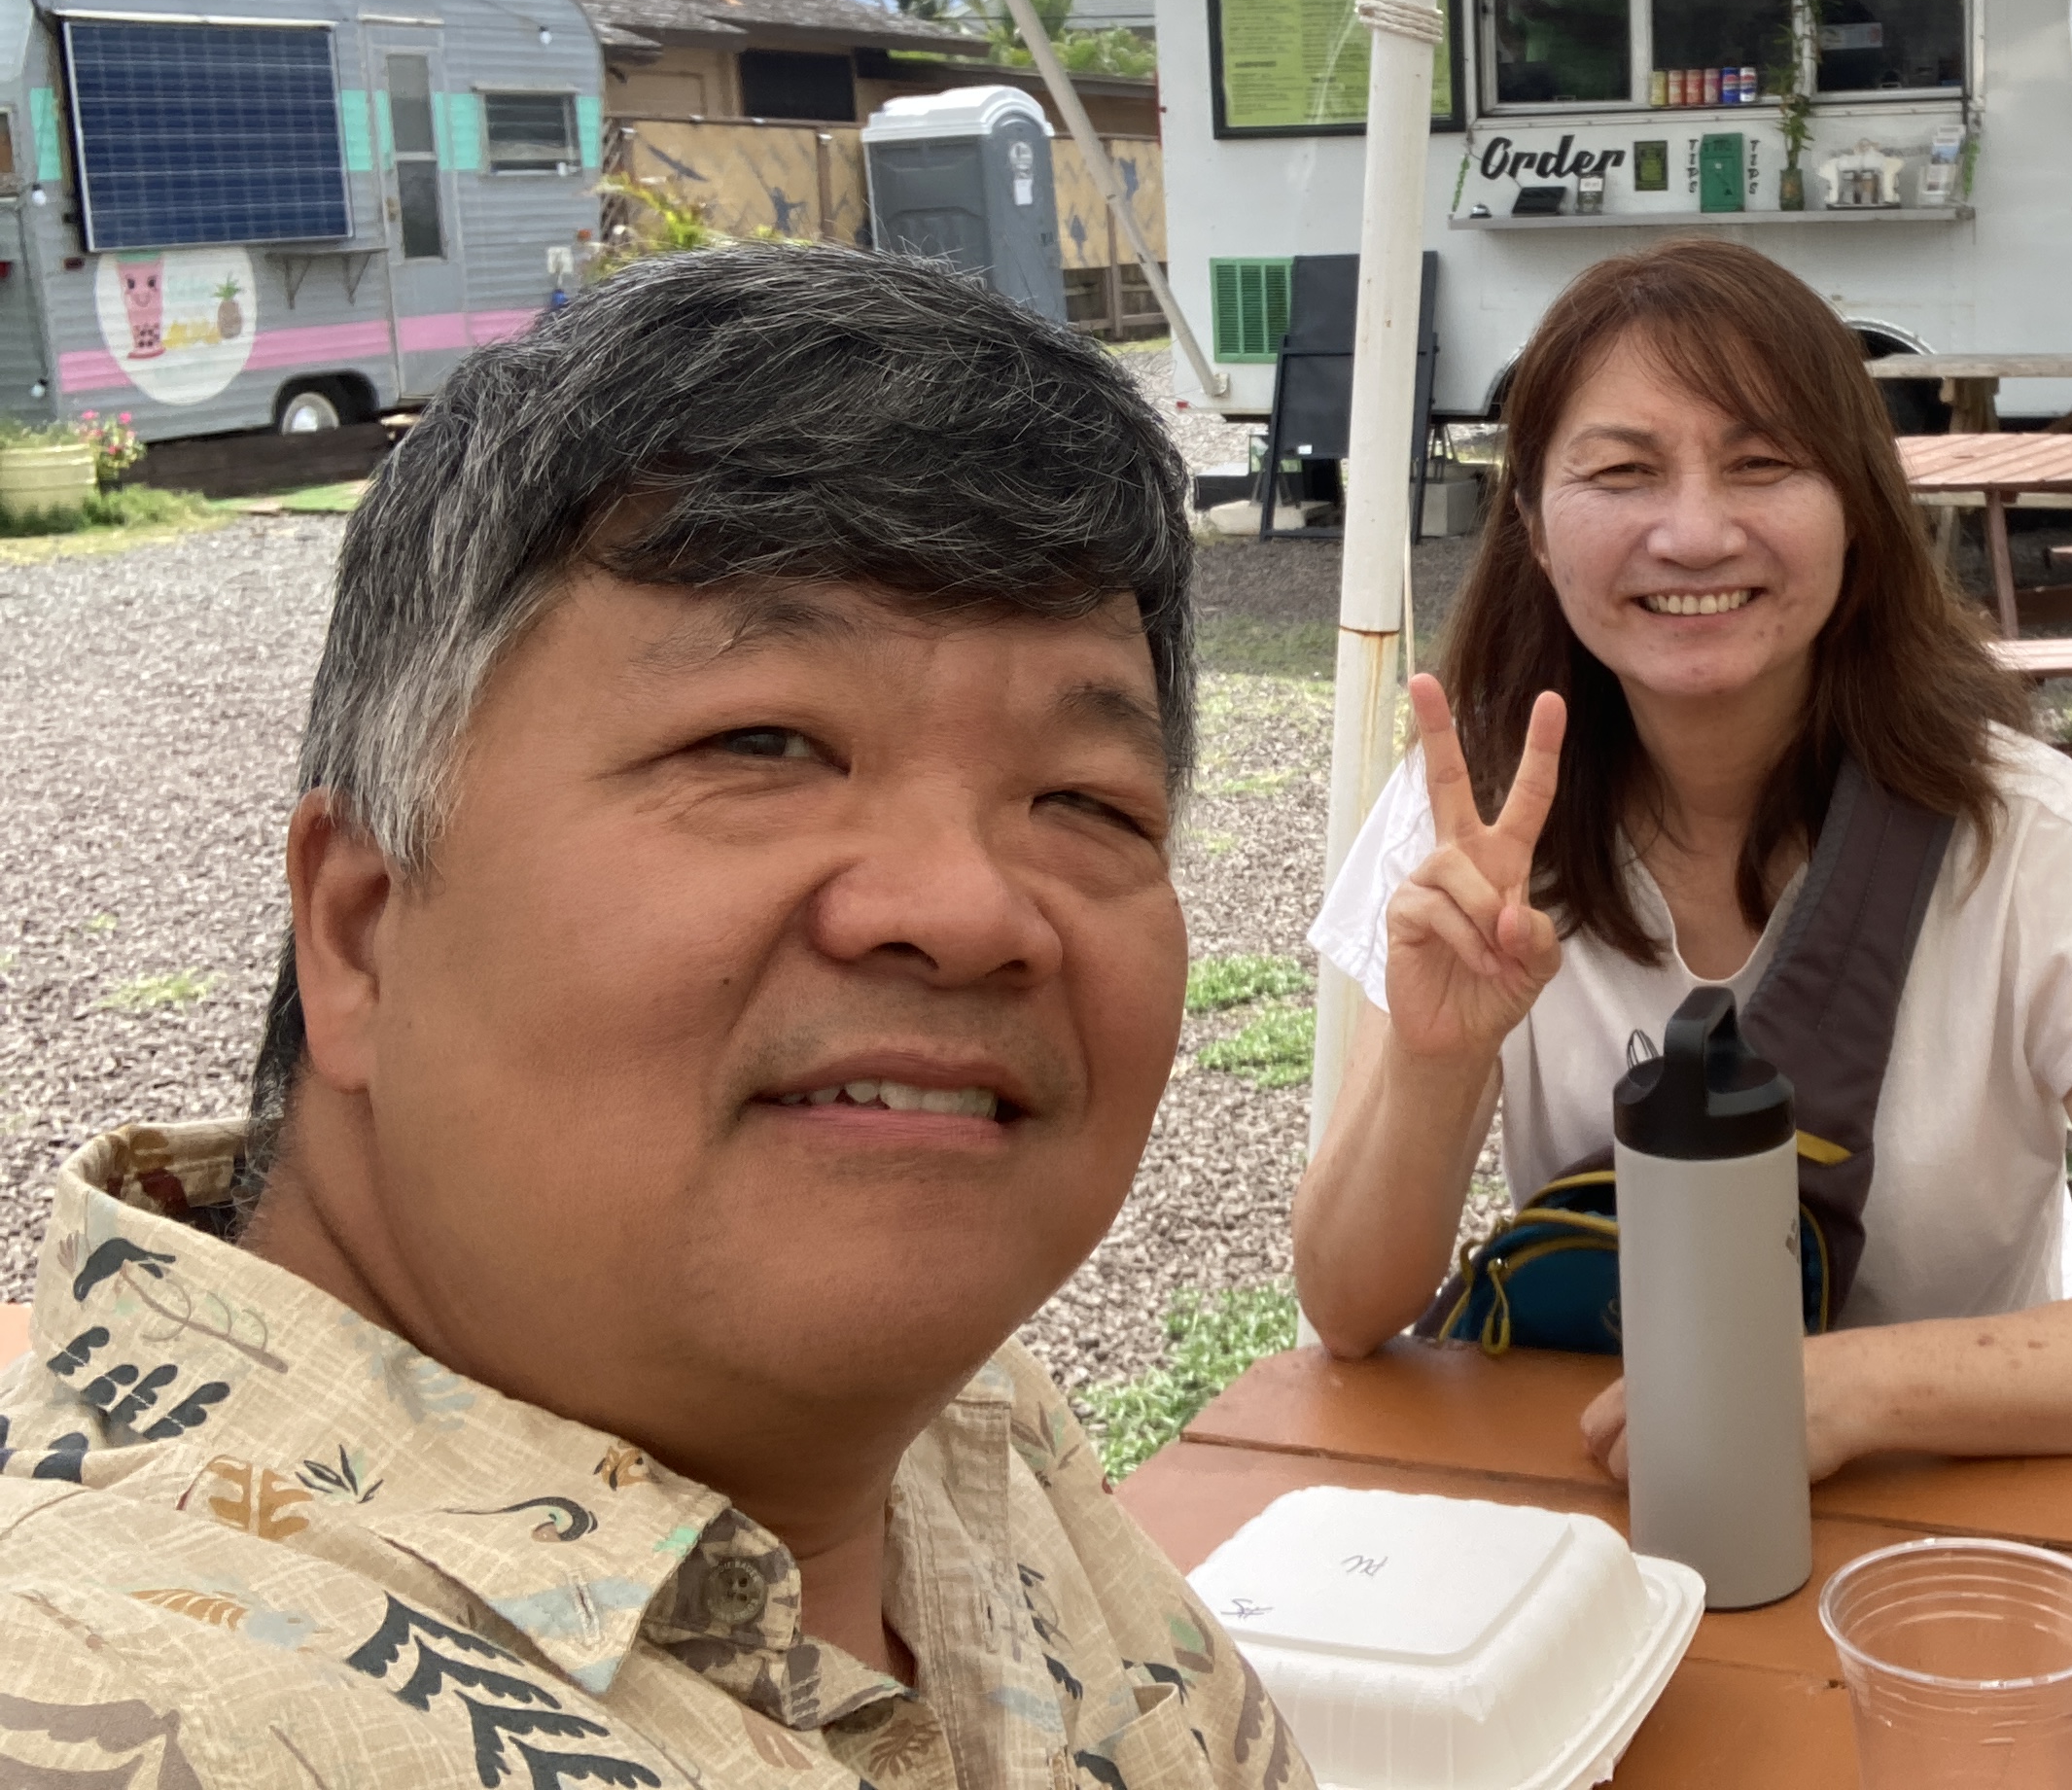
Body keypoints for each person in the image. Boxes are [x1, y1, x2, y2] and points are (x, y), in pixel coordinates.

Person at [0, 246, 1310, 1790]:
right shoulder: (108, 1701)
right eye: (762, 743)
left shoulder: (967, 1424)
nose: (968, 909)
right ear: (359, 927)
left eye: (1086, 801)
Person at [1293, 240, 2072, 1479]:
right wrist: (1434, 1061)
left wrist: (1853, 1388)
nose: (1693, 533)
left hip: (1961, 1514)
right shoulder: (1476, 823)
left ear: (1856, 509)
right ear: (1530, 520)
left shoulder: (2027, 839)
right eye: (1621, 471)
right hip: (1620, 1502)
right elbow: (1348, 1307)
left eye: (1762, 463)